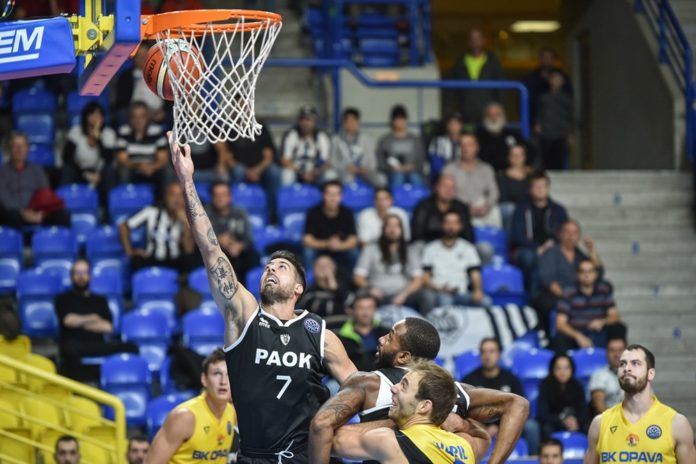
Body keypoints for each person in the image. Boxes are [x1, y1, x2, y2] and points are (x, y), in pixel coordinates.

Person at [168, 131, 357, 463]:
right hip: (255, 455)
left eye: (282, 267)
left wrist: (330, 420)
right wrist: (187, 181)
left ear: (298, 288)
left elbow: (357, 385)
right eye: (268, 266)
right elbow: (211, 250)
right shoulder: (244, 315)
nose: (271, 269)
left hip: (306, 455)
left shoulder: (318, 333)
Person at [309, 317, 530, 464]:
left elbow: (323, 430)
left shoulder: (370, 383)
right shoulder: (455, 391)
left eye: (390, 336)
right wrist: (455, 422)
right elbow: (517, 405)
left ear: (403, 356)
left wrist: (401, 422)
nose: (381, 339)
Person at [328, 360, 489, 464]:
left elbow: (327, 436)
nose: (394, 388)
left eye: (403, 386)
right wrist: (459, 422)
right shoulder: (465, 446)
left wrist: (394, 422)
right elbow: (483, 437)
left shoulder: (389, 441)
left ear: (424, 406)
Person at [585, 344, 696, 464]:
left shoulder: (677, 424)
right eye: (622, 364)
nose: (627, 368)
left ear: (650, 374)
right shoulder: (599, 424)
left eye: (635, 363)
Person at [146, 349, 237, 464]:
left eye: (229, 375)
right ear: (204, 379)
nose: (223, 381)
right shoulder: (185, 417)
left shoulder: (231, 412)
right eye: (217, 374)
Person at [55, 259, 139, 382]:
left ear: (90, 275)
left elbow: (107, 327)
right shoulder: (62, 299)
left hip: (97, 344)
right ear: (72, 276)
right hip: (74, 344)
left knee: (132, 348)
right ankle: (80, 387)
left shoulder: (100, 300)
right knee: (68, 349)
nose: (81, 277)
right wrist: (93, 318)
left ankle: (119, 384)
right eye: (77, 273)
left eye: (84, 273)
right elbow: (68, 321)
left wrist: (79, 322)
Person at [462, 338, 540, 454]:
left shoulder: (511, 380)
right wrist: (480, 427)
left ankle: (533, 459)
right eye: (484, 352)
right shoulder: (469, 380)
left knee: (531, 427)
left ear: (499, 355)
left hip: (508, 423)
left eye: (492, 351)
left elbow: (520, 408)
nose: (487, 356)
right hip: (477, 425)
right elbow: (463, 410)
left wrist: (499, 426)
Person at [536, 220, 602, 335]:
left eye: (574, 233)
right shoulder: (551, 253)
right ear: (560, 234)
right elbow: (548, 281)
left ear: (579, 236)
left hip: (577, 296)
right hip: (557, 297)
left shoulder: (580, 255)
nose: (571, 236)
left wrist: (592, 251)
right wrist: (568, 298)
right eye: (567, 232)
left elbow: (597, 274)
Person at [354, 214, 431, 313]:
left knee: (427, 295)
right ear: (383, 229)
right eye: (389, 226)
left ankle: (425, 323)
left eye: (396, 226)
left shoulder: (410, 250)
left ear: (402, 230)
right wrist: (370, 288)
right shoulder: (370, 249)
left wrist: (404, 294)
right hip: (378, 294)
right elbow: (358, 277)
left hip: (404, 293)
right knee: (361, 295)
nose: (392, 229)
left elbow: (418, 279)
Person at [118, 182, 197, 273]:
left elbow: (189, 250)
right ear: (166, 198)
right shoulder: (151, 212)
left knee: (194, 260)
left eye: (180, 195)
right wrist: (129, 251)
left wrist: (185, 223)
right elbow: (123, 226)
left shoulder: (188, 218)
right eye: (172, 195)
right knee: (136, 260)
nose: (176, 199)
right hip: (152, 259)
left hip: (176, 260)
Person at [510, 172, 568, 295]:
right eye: (536, 186)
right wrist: (537, 248)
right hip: (527, 249)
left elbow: (564, 233)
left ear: (548, 188)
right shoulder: (521, 209)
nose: (540, 189)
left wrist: (550, 244)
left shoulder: (558, 210)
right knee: (531, 258)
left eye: (543, 186)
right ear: (530, 189)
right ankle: (533, 296)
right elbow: (516, 235)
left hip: (552, 247)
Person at [554, 259, 626, 353]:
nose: (586, 275)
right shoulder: (568, 292)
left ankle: (617, 358)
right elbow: (560, 324)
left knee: (619, 328)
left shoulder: (603, 290)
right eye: (583, 271)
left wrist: (602, 321)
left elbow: (615, 316)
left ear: (596, 274)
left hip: (599, 331)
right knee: (560, 338)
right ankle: (566, 362)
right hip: (575, 332)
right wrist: (578, 336)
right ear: (577, 274)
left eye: (590, 271)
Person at [0, 132, 70, 229]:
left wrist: (41, 213)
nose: (19, 149)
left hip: (36, 210)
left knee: (62, 216)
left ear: (27, 149)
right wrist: (22, 212)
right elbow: (4, 197)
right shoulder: (2, 172)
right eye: (15, 146)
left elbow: (45, 193)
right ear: (10, 149)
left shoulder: (37, 169)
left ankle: (56, 238)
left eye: (22, 146)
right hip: (14, 212)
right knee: (10, 214)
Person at [422, 212, 490, 308]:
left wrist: (477, 290)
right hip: (440, 292)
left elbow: (475, 273)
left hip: (462, 293)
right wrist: (438, 288)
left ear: (460, 226)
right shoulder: (430, 248)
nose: (451, 226)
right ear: (442, 225)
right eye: (447, 222)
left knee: (486, 302)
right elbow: (425, 278)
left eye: (455, 223)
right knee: (445, 302)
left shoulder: (468, 248)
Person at [217, 120, 281, 220]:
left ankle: (273, 214)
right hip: (241, 169)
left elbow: (268, 156)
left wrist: (257, 170)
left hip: (261, 168)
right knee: (237, 171)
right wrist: (247, 172)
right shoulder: (230, 128)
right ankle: (234, 213)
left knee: (274, 172)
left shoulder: (260, 127)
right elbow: (228, 157)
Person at [442, 133, 502, 228]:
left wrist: (486, 207)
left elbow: (494, 193)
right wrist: (465, 208)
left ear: (476, 147)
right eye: (462, 145)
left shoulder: (486, 169)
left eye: (469, 145)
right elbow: (445, 194)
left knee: (495, 212)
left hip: (482, 207)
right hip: (459, 209)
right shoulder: (449, 169)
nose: (465, 149)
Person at [205, 181, 260, 282]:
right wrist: (218, 240)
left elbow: (248, 238)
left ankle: (250, 287)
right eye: (216, 195)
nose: (220, 198)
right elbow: (201, 239)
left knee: (253, 256)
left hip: (239, 253)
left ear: (230, 196)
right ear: (212, 197)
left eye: (223, 195)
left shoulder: (240, 212)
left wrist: (240, 246)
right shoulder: (206, 214)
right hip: (216, 253)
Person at [447, 28, 505, 124]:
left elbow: (501, 87)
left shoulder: (493, 61)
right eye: (472, 39)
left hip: (488, 113)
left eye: (478, 38)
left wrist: (498, 107)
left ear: (484, 41)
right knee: (468, 133)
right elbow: (451, 88)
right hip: (465, 112)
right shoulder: (460, 61)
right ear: (468, 42)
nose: (475, 42)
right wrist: (452, 108)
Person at [60, 102, 117, 194]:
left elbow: (108, 159)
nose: (95, 118)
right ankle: (63, 199)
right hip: (80, 171)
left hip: (100, 172)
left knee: (109, 171)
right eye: (92, 114)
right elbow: (66, 157)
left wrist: (99, 139)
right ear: (86, 117)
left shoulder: (108, 133)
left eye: (99, 115)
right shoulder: (76, 132)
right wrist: (84, 174)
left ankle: (111, 202)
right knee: (67, 169)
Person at [114, 101, 168, 194]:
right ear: (130, 118)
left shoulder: (157, 131)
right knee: (124, 171)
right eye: (134, 116)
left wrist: (152, 167)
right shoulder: (123, 132)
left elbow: (163, 158)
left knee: (168, 171)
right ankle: (125, 198)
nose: (138, 120)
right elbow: (122, 159)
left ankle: (165, 200)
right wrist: (139, 166)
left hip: (153, 169)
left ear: (148, 117)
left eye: (142, 116)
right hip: (132, 168)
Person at [303, 180, 359, 270]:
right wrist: (327, 244)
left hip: (341, 249)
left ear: (341, 196)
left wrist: (340, 246)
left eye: (337, 194)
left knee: (354, 252)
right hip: (320, 248)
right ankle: (309, 278)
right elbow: (307, 240)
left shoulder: (347, 212)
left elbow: (354, 239)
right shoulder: (313, 212)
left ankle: (352, 278)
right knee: (308, 252)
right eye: (329, 194)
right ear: (323, 195)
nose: (333, 198)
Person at [329, 107, 386, 188]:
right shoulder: (336, 140)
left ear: (358, 122)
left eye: (353, 121)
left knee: (381, 179)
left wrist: (364, 169)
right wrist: (346, 167)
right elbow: (333, 161)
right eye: (347, 121)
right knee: (347, 178)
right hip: (345, 171)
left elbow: (373, 162)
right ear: (343, 123)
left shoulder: (367, 140)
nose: (350, 124)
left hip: (365, 171)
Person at [411, 174, 475, 245]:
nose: (449, 190)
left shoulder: (461, 207)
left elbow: (468, 235)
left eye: (452, 187)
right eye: (445, 186)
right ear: (436, 187)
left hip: (456, 246)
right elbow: (417, 234)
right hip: (428, 246)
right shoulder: (423, 206)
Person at [114, 44, 169, 124]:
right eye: (139, 56)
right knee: (122, 114)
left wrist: (164, 111)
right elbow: (121, 101)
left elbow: (169, 97)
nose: (142, 59)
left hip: (158, 112)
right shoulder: (126, 77)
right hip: (134, 113)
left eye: (144, 56)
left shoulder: (161, 74)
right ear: (134, 58)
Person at [537, 354, 588, 439]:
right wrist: (562, 419)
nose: (562, 372)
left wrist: (576, 421)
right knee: (546, 428)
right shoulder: (545, 385)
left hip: (574, 422)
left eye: (566, 368)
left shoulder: (577, 386)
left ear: (572, 369)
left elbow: (584, 411)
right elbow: (543, 414)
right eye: (558, 368)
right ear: (552, 369)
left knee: (588, 426)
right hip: (554, 423)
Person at [337, 291, 389, 371]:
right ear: (353, 310)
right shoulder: (342, 338)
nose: (365, 312)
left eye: (369, 308)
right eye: (361, 308)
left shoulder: (386, 333)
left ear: (375, 310)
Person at [280, 105, 332, 186]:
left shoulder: (322, 136)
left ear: (315, 121)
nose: (305, 123)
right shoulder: (291, 134)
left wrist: (315, 172)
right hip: (296, 171)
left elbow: (326, 162)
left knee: (330, 175)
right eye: (302, 119)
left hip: (316, 173)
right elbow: (285, 160)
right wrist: (301, 172)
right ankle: (288, 194)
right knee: (287, 175)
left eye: (308, 120)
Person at [376, 105, 426, 187]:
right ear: (392, 121)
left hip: (413, 171)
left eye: (402, 119)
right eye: (397, 119)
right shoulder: (385, 140)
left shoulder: (415, 139)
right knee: (398, 177)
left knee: (415, 178)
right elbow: (380, 161)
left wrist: (411, 167)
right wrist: (391, 168)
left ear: (406, 120)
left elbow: (421, 159)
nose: (400, 122)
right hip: (393, 172)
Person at [476, 102, 532, 172]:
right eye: (490, 114)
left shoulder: (512, 134)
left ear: (502, 116)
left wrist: (525, 165)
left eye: (497, 114)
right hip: (485, 173)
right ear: (485, 117)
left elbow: (531, 150)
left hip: (509, 174)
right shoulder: (479, 136)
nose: (494, 118)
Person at [536, 69, 574, 170]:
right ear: (549, 80)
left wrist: (570, 133)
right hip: (546, 130)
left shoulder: (566, 98)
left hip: (561, 131)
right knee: (545, 156)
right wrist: (538, 123)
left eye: (558, 79)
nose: (556, 81)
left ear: (563, 81)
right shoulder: (543, 97)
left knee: (559, 157)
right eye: (554, 78)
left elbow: (571, 116)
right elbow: (539, 111)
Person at [522, 47, 573, 122]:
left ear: (553, 60)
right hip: (535, 120)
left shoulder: (563, 77)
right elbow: (525, 99)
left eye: (550, 58)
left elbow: (569, 98)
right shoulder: (530, 78)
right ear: (540, 59)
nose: (547, 60)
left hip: (559, 120)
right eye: (544, 57)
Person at [298, 254, 351, 318]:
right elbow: (313, 309)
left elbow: (348, 304)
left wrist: (334, 286)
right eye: (319, 265)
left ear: (334, 268)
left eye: (327, 266)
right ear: (313, 270)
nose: (323, 268)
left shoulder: (345, 288)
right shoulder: (308, 291)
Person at [497, 145, 531, 233]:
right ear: (509, 157)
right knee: (511, 209)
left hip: (528, 207)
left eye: (520, 155)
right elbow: (503, 198)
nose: (517, 158)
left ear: (524, 157)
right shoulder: (502, 176)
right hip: (509, 209)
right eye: (513, 155)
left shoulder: (531, 176)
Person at [588, 337, 626, 416]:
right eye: (612, 350)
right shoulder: (599, 375)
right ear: (606, 353)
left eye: (620, 350)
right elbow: (599, 405)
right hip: (609, 419)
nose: (616, 354)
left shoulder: (635, 374)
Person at [427, 112, 463, 181]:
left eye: (457, 123)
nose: (454, 127)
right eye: (451, 124)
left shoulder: (465, 142)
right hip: (443, 176)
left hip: (462, 175)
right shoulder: (438, 141)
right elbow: (436, 165)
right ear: (447, 126)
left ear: (461, 125)